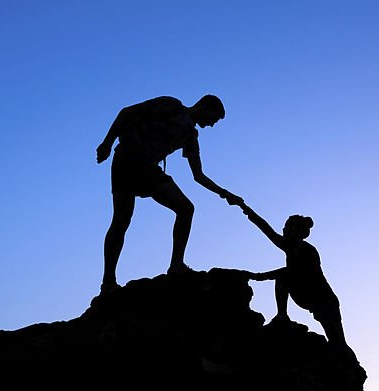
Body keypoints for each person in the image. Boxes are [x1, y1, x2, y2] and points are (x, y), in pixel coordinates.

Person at [96, 95, 242, 294]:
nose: (212, 125)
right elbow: (127, 112)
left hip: (149, 168)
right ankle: (108, 282)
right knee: (121, 220)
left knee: (185, 208)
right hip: (128, 159)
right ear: (206, 106)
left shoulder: (191, 136)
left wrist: (225, 194)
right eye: (214, 119)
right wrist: (107, 142)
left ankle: (176, 265)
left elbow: (198, 175)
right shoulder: (171, 105)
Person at [239, 202, 352, 354]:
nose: (284, 229)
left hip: (323, 299)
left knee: (338, 342)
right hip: (305, 295)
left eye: (289, 226)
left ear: (299, 231)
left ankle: (345, 361)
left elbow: (292, 272)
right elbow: (265, 227)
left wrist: (258, 276)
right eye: (285, 225)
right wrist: (244, 208)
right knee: (283, 277)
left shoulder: (308, 251)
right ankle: (282, 315)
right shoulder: (289, 246)